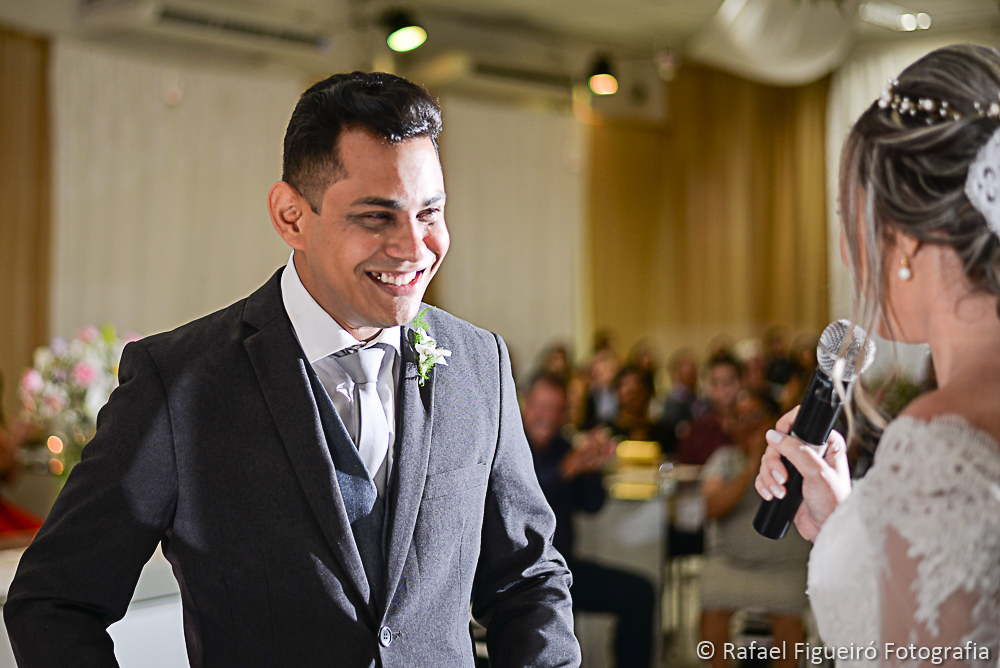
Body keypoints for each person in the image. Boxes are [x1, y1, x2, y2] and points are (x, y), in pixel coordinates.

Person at [5, 72, 580, 667]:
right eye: (377, 217)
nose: (415, 247)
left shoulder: (478, 364)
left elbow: (526, 580)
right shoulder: (179, 383)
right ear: (290, 216)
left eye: (429, 212)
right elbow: (54, 601)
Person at [756, 44, 1000, 660]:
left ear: (909, 239)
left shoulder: (946, 441)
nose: (847, 253)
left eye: (852, 219)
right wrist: (847, 523)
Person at [522, 372, 655, 668]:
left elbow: (592, 504)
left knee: (639, 594)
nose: (548, 416)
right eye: (542, 406)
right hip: (519, 574)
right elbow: (523, 500)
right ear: (524, 404)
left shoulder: (562, 446)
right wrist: (567, 469)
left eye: (556, 409)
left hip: (564, 568)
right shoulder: (508, 445)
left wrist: (593, 466)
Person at [699, 391, 809, 668]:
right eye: (741, 418)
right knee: (711, 614)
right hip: (731, 563)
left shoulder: (797, 459)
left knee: (788, 620)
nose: (748, 424)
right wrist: (751, 465)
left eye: (756, 416)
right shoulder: (724, 459)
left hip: (785, 566)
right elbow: (711, 507)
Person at [675, 352, 741, 465]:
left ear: (742, 382)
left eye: (729, 382)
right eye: (716, 383)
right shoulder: (696, 432)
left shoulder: (754, 428)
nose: (723, 390)